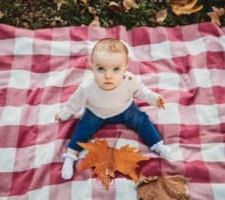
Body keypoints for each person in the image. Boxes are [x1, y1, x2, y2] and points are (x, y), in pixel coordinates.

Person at [55, 38, 171, 180]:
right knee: (82, 130)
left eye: (116, 69)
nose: (108, 75)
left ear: (125, 68)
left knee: (142, 120)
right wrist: (64, 114)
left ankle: (157, 144)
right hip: (96, 113)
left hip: (126, 109)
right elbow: (74, 102)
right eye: (101, 69)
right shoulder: (87, 87)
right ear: (92, 67)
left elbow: (142, 92)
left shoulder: (130, 81)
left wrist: (155, 99)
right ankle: (71, 156)